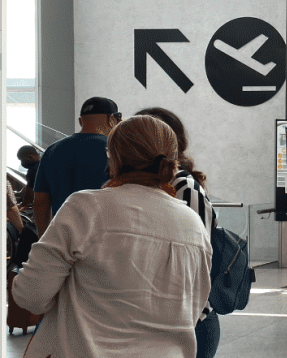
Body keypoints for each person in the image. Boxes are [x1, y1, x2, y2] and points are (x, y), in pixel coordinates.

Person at [13, 115, 212, 357]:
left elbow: (30, 296)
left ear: (113, 156)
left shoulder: (86, 207)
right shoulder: (192, 223)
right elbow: (196, 305)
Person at [137, 107, 219, 357]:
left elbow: (196, 263)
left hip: (188, 324)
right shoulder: (141, 188)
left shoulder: (184, 186)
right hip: (156, 322)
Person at [32, 96, 121, 237]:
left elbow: (40, 201)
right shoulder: (116, 150)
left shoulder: (52, 150)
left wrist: (44, 239)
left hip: (62, 239)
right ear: (113, 120)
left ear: (80, 121)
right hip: (104, 238)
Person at [16, 145, 41, 210]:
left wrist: (20, 206)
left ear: (30, 157)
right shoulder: (45, 163)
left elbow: (28, 198)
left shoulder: (33, 170)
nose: (21, 163)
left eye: (22, 160)